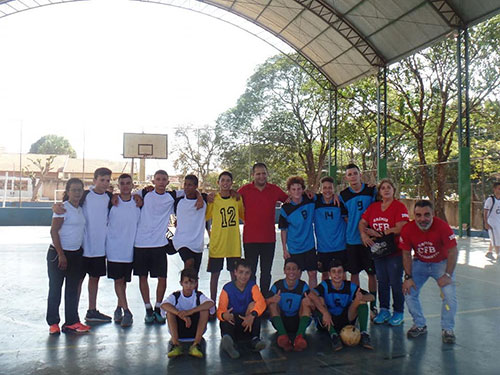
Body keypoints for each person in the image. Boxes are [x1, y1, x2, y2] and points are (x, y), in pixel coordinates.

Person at [134, 169, 202, 324]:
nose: (161, 182)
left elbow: (192, 191)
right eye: (158, 179)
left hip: (160, 243)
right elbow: (125, 195)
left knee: (162, 278)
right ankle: (148, 309)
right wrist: (138, 196)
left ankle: (158, 307)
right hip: (141, 243)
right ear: (153, 181)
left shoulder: (172, 196)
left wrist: (199, 196)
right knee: (142, 277)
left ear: (167, 182)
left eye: (164, 179)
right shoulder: (144, 193)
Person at [400, 200, 458, 344]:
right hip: (420, 264)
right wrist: (408, 277)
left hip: (441, 264)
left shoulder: (443, 227)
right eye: (418, 215)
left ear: (433, 214)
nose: (422, 219)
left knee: (449, 295)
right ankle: (419, 324)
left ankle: (447, 329)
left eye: (427, 215)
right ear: (414, 215)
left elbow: (453, 251)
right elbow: (406, 254)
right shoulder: (408, 229)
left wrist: (448, 275)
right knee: (409, 291)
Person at [359, 178, 409, 326]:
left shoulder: (399, 207)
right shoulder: (374, 207)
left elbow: (401, 226)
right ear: (379, 192)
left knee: (395, 281)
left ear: (394, 190)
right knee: (382, 282)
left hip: (395, 252)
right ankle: (384, 309)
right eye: (383, 188)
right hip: (378, 252)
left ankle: (398, 311)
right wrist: (363, 234)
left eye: (389, 187)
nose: (386, 190)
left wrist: (380, 232)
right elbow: (363, 222)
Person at [238, 163, 288, 297]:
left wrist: (308, 195)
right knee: (250, 271)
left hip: (268, 239)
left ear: (267, 174)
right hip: (250, 239)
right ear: (253, 175)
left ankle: (264, 298)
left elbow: (291, 200)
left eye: (263, 173)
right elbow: (229, 200)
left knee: (266, 272)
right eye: (258, 173)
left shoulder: (274, 190)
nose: (261, 176)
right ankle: (253, 299)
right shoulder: (244, 190)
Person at [47, 178, 90, 334]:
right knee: (55, 288)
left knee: (72, 289)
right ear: (67, 192)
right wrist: (61, 254)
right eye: (74, 190)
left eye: (80, 190)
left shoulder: (81, 208)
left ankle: (71, 322)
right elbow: (53, 231)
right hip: (58, 254)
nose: (77, 193)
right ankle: (53, 323)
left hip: (76, 254)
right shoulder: (62, 209)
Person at [308, 259, 374, 351]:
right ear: (330, 274)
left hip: (346, 318)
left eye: (339, 272)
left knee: (361, 302)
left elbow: (371, 297)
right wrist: (325, 312)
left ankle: (364, 334)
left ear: (343, 273)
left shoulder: (349, 286)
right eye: (334, 272)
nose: (337, 275)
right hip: (328, 319)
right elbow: (310, 294)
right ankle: (334, 335)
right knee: (319, 300)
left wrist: (362, 298)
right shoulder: (326, 285)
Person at [339, 164, 378, 317]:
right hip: (353, 241)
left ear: (360, 175)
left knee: (372, 274)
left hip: (369, 241)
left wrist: (369, 232)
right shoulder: (343, 195)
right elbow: (347, 218)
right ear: (346, 178)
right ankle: (355, 303)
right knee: (354, 273)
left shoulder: (371, 190)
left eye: (355, 173)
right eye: (349, 174)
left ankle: (374, 306)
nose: (353, 176)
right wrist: (358, 230)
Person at [105, 173, 140, 328]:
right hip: (114, 248)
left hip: (130, 250)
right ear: (118, 186)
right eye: (122, 183)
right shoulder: (111, 202)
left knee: (123, 281)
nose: (125, 186)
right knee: (118, 280)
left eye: (128, 183)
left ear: (132, 185)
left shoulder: (138, 202)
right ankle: (127, 311)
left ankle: (119, 307)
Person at [205, 171, 244, 308]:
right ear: (218, 183)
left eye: (228, 180)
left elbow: (244, 216)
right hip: (217, 244)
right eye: (223, 180)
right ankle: (212, 303)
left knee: (235, 275)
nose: (225, 183)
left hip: (233, 244)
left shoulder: (236, 199)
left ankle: (235, 302)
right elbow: (205, 216)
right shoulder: (213, 199)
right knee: (214, 275)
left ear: (232, 183)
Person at [217, 259, 267, 359]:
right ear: (235, 272)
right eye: (241, 272)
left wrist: (252, 315)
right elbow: (220, 310)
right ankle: (229, 341)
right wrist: (224, 315)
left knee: (255, 306)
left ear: (251, 273)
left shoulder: (253, 286)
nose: (243, 276)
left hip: (247, 322)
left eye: (247, 273)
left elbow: (261, 303)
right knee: (226, 318)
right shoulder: (227, 288)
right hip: (233, 321)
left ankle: (255, 339)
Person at [161, 268, 214, 359]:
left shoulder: (198, 295)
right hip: (179, 331)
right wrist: (180, 314)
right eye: (186, 283)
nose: (189, 286)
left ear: (196, 284)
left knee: (204, 310)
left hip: (194, 330)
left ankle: (196, 344)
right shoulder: (176, 296)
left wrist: (190, 312)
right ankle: (176, 344)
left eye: (192, 283)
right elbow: (164, 305)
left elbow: (210, 303)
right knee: (170, 312)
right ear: (181, 283)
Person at [279, 176, 317, 288]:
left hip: (309, 246)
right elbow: (283, 230)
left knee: (313, 273)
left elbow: (324, 196)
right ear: (289, 191)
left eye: (299, 189)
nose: (297, 191)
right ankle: (297, 300)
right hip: (294, 247)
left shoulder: (309, 200)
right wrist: (285, 249)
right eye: (293, 189)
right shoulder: (286, 208)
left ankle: (312, 300)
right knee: (296, 275)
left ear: (303, 189)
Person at [266, 259, 313, 352]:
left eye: (294, 269)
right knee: (272, 304)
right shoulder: (277, 285)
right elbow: (263, 303)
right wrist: (271, 299)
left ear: (298, 271)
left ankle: (299, 337)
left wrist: (310, 303)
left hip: (297, 321)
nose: (291, 272)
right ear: (284, 270)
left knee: (305, 302)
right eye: (288, 269)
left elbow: (313, 307)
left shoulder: (303, 286)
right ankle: (283, 336)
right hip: (282, 321)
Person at [314, 176, 348, 280]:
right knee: (325, 274)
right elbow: (304, 194)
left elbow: (348, 221)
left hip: (340, 246)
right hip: (323, 247)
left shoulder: (340, 203)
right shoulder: (315, 203)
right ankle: (325, 296)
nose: (327, 190)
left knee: (341, 274)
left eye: (330, 188)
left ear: (334, 189)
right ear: (320, 189)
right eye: (324, 188)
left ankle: (343, 295)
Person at [172, 175, 207, 274]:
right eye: (185, 184)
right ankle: (184, 285)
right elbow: (172, 217)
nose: (187, 187)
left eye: (190, 185)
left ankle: (193, 289)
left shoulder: (204, 200)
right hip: (181, 241)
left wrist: (199, 196)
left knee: (195, 273)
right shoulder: (178, 201)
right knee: (189, 262)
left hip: (197, 243)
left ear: (196, 186)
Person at [484, 182, 500, 260]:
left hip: (498, 221)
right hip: (492, 222)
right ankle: (498, 253)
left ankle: (489, 252)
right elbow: (485, 211)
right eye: (499, 189)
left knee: (495, 236)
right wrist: (486, 222)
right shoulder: (490, 199)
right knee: (496, 237)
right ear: (494, 189)